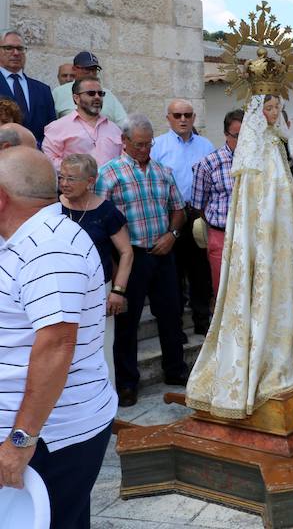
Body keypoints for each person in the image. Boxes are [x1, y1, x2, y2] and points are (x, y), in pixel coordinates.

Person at [0, 146, 116, 528]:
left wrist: (20, 442)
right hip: (42, 432)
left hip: (49, 438)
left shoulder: (48, 248)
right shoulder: (29, 238)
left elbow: (56, 346)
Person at [186, 94, 293, 418]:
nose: (275, 114)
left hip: (277, 239)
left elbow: (283, 185)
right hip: (241, 239)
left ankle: (281, 359)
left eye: (278, 108)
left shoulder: (276, 147)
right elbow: (202, 203)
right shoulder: (244, 158)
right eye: (269, 109)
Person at [95, 114, 189, 406]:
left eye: (148, 144)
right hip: (130, 256)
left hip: (163, 253)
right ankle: (126, 383)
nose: (144, 150)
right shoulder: (109, 174)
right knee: (127, 323)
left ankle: (175, 370)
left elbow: (178, 209)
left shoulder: (163, 171)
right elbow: (102, 218)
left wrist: (172, 234)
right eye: (138, 145)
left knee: (171, 316)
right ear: (124, 141)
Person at [59, 153, 133, 386]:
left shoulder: (106, 212)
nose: (64, 184)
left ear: (90, 181)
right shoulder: (52, 207)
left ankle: (105, 399)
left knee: (100, 345)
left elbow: (126, 252)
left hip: (98, 290)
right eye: (61, 177)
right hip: (60, 290)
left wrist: (118, 291)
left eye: (71, 179)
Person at [152, 99, 215, 335]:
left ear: (194, 117)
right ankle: (174, 326)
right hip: (170, 216)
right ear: (168, 117)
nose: (183, 119)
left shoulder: (206, 145)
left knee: (200, 271)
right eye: (177, 115)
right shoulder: (157, 145)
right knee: (173, 274)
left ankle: (202, 321)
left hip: (198, 215)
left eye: (187, 115)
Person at [192, 109, 242, 298]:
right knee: (223, 290)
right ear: (226, 135)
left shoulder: (259, 162)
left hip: (253, 235)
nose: (242, 140)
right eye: (237, 136)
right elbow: (199, 203)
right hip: (221, 235)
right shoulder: (209, 163)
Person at [42, 77, 123, 170]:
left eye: (100, 94)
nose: (97, 97)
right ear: (76, 98)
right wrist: (78, 172)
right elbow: (49, 161)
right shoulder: (58, 127)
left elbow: (123, 162)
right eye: (91, 93)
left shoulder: (114, 129)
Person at [0, 30, 56, 146]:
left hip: (35, 156)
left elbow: (52, 131)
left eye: (20, 49)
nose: (16, 53)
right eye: (9, 48)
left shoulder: (43, 90)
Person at [51, 52, 128, 127]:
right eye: (87, 69)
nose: (91, 73)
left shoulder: (107, 94)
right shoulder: (59, 92)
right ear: (74, 69)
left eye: (94, 69)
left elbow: (123, 123)